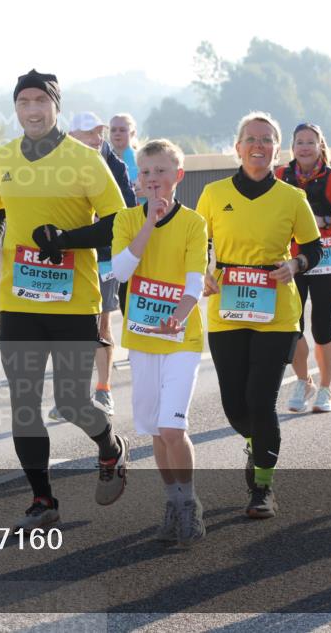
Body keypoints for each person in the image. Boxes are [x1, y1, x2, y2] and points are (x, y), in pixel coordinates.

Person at [0, 70, 130, 530]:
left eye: (41, 100)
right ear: (16, 109)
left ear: (55, 106)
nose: (33, 109)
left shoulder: (84, 159)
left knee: (73, 400)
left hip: (74, 300)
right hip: (19, 299)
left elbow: (119, 221)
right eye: (24, 102)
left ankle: (109, 448)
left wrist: (66, 239)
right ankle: (43, 500)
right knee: (24, 403)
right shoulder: (3, 157)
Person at [196, 112, 322, 519]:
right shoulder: (213, 194)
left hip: (276, 308)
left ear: (276, 148)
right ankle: (258, 443)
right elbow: (197, 244)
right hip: (227, 306)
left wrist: (297, 263)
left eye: (266, 140)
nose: (258, 145)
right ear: (237, 147)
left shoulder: (292, 197)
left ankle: (263, 486)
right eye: (250, 138)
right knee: (235, 404)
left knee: (261, 399)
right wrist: (201, 272)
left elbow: (314, 248)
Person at [112, 139, 207, 545]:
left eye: (161, 172)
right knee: (153, 429)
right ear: (138, 180)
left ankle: (189, 506)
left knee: (172, 428)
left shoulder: (193, 223)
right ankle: (171, 501)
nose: (153, 180)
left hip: (181, 338)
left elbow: (195, 282)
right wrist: (149, 222)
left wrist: (178, 316)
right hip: (142, 338)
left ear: (177, 176)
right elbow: (120, 270)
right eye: (146, 173)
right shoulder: (126, 220)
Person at [48, 112, 135, 420]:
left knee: (100, 324)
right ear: (71, 136)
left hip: (105, 255)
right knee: (69, 327)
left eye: (100, 133)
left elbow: (127, 212)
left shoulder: (114, 164)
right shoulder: (57, 165)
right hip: (70, 254)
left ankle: (104, 390)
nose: (98, 139)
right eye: (89, 134)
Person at [275, 124, 331, 413]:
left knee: (322, 327)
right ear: (292, 147)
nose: (304, 147)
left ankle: (327, 388)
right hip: (290, 258)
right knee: (292, 326)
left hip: (325, 258)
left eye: (310, 142)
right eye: (299, 142)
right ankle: (304, 381)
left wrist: (325, 222)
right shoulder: (281, 175)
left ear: (320, 146)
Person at [110, 113, 140, 185]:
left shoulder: (142, 160)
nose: (117, 133)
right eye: (113, 130)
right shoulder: (103, 159)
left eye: (122, 130)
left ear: (132, 133)